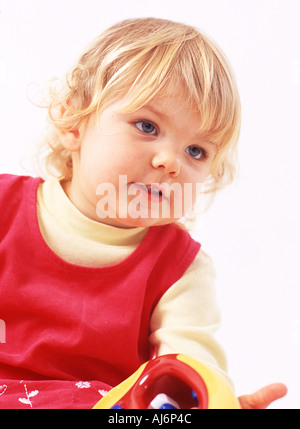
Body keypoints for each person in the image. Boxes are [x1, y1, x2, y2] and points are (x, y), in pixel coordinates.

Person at [0, 17, 286, 409]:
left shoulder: (180, 269)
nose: (170, 161)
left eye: (196, 151)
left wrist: (209, 402)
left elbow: (187, 370)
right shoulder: (4, 207)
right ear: (75, 122)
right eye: (147, 125)